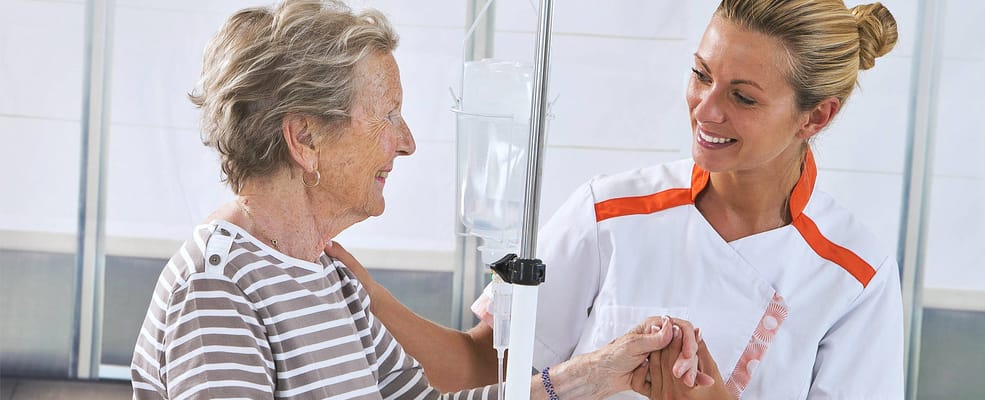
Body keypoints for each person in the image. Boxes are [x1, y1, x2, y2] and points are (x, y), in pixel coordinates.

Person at [331, 0, 904, 398]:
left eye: (743, 98)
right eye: (701, 75)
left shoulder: (853, 275)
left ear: (817, 115)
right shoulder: (610, 213)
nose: (706, 110)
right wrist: (366, 292)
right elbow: (485, 370)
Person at [128, 0, 699, 398]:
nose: (407, 143)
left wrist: (598, 375)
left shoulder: (329, 276)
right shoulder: (218, 289)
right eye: (387, 116)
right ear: (304, 138)